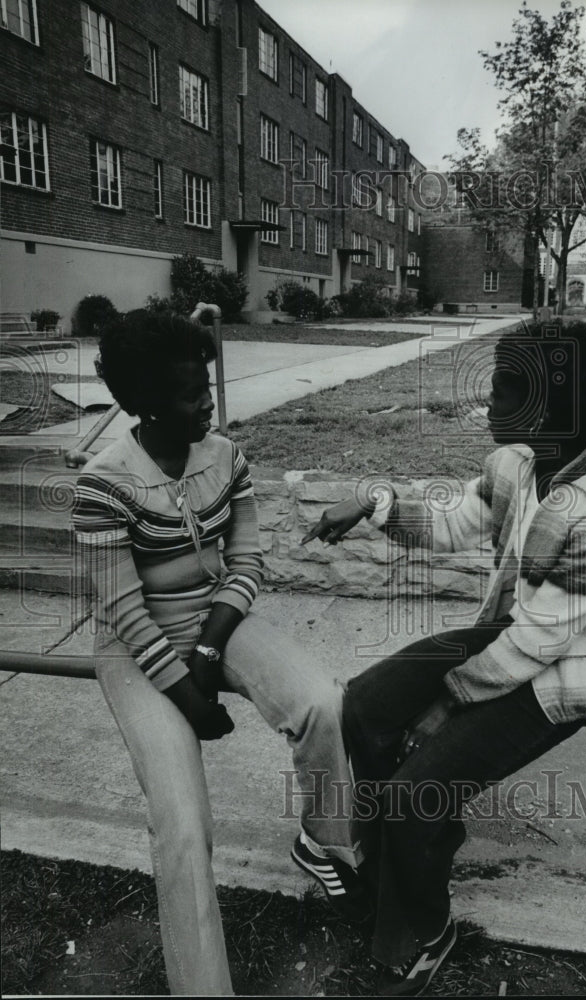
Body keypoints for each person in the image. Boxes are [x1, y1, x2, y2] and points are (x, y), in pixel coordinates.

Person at [302, 320, 586, 996]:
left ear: (547, 410)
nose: (485, 406)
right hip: (507, 634)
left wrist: (444, 705)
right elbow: (456, 519)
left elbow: (540, 644)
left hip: (571, 669)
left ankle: (423, 935)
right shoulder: (518, 463)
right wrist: (375, 503)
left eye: (500, 393)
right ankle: (396, 868)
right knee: (365, 707)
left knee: (413, 793)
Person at [71, 311, 366, 997]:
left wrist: (209, 646)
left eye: (205, 385)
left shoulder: (225, 456)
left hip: (217, 617)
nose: (206, 401)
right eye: (187, 394)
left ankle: (325, 840)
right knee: (182, 824)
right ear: (143, 403)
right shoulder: (102, 482)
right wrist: (189, 698)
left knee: (322, 702)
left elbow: (248, 559)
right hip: (135, 640)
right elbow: (122, 611)